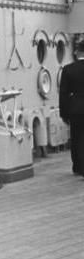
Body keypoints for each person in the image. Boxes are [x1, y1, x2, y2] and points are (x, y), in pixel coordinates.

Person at [59, 37, 84, 175]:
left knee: (76, 138)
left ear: (76, 52)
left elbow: (63, 93)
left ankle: (78, 167)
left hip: (76, 109)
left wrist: (64, 113)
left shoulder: (68, 69)